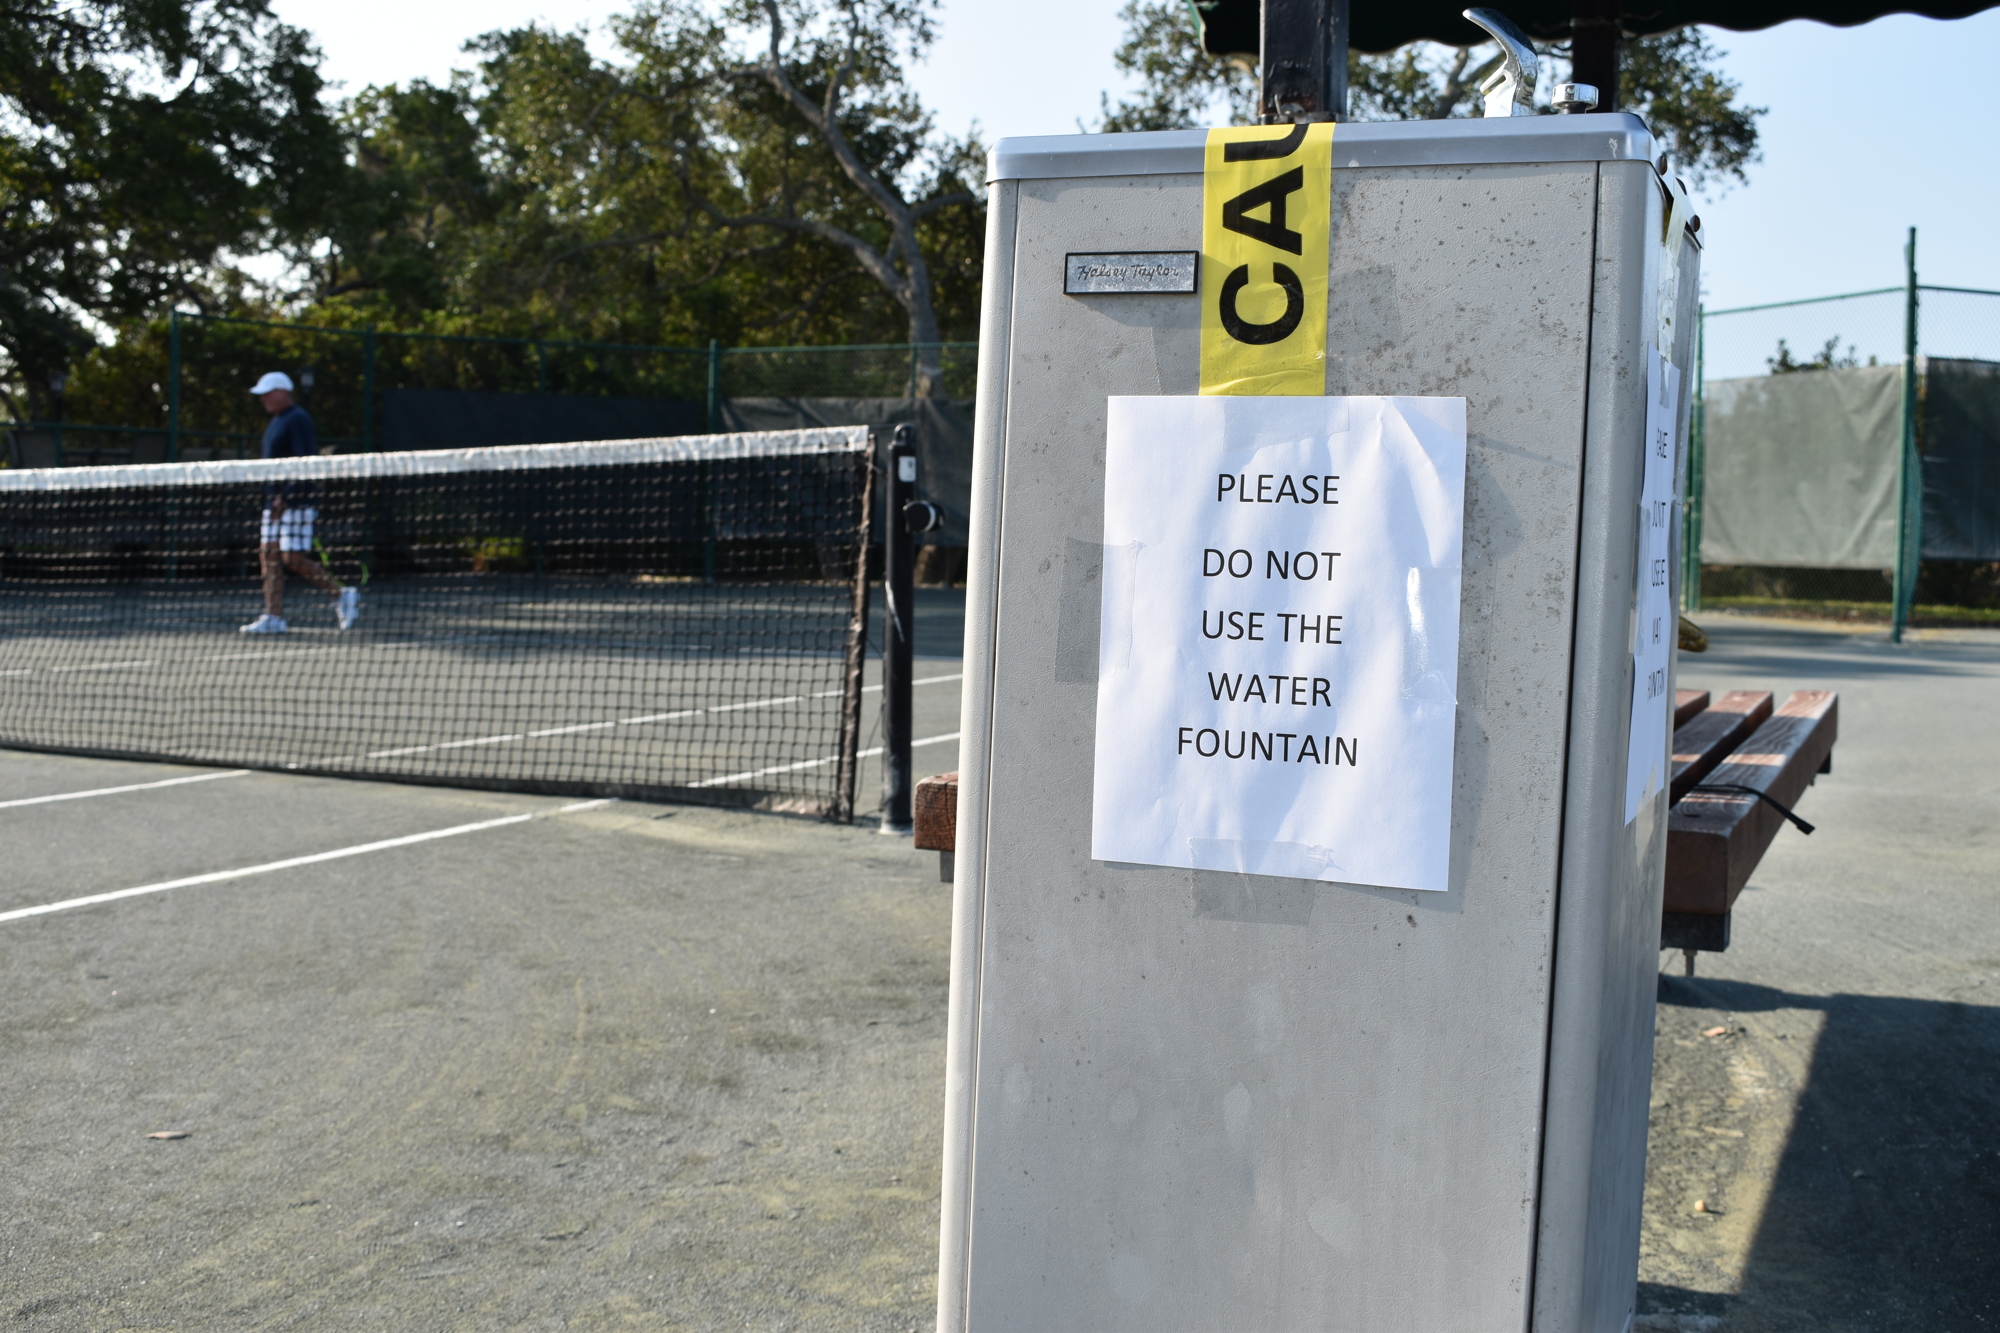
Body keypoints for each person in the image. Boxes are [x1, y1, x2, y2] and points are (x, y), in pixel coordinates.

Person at [239, 372, 360, 635]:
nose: (264, 400)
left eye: (268, 393)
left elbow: (305, 462)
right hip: (275, 503)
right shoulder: (276, 422)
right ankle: (274, 615)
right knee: (268, 554)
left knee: (292, 557)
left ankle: (341, 594)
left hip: (298, 502)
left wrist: (288, 497)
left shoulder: (298, 419)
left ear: (283, 392)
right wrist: (273, 499)